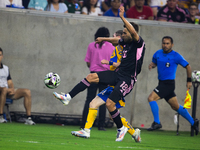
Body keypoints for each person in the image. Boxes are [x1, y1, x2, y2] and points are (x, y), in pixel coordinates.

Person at [53, 5, 146, 142]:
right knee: (92, 86)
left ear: (132, 33)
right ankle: (69, 100)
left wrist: (122, 17)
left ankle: (123, 129)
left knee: (110, 105)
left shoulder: (138, 43)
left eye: (125, 33)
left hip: (127, 80)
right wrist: (104, 39)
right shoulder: (125, 43)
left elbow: (131, 31)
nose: (122, 35)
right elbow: (117, 40)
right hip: (117, 75)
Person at [71, 30, 141, 143]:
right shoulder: (115, 51)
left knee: (112, 112)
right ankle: (86, 130)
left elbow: (122, 65)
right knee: (96, 105)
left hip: (120, 84)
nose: (113, 40)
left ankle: (131, 131)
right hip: (113, 82)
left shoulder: (126, 50)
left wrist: (108, 63)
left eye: (115, 37)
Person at [147, 36, 199, 135]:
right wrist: (152, 65)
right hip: (161, 83)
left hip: (169, 84)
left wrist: (189, 81)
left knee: (151, 98)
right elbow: (155, 62)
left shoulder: (176, 56)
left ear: (172, 45)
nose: (165, 45)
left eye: (167, 43)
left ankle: (157, 122)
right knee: (175, 106)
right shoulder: (157, 53)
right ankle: (193, 122)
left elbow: (188, 66)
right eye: (164, 43)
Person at [81, 27, 114, 130]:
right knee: (102, 100)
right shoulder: (112, 47)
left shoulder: (91, 45)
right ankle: (101, 125)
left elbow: (88, 62)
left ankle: (84, 124)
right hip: (105, 75)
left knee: (89, 99)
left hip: (93, 75)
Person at [0, 48, 35, 125]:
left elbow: (10, 82)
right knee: (4, 90)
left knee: (27, 92)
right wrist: (5, 89)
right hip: (2, 91)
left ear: (2, 56)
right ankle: (0, 116)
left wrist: (12, 89)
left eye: (0, 55)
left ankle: (29, 118)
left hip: (7, 91)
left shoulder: (6, 68)